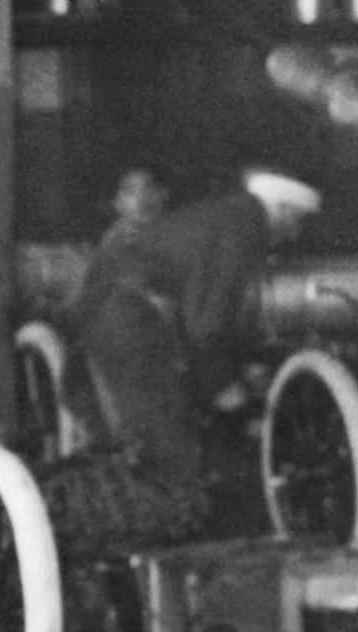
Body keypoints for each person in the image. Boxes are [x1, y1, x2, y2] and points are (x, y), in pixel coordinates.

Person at [72, 166, 319, 530]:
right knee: (168, 454)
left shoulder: (231, 217)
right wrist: (232, 395)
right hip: (128, 318)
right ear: (279, 209)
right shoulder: (242, 229)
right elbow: (206, 328)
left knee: (160, 438)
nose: (295, 233)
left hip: (119, 310)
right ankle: (153, 537)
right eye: (296, 220)